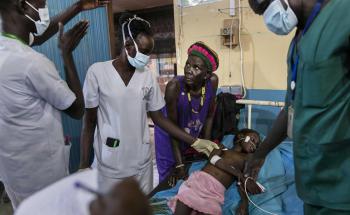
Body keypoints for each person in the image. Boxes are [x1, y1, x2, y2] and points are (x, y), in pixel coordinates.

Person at [80, 14, 219, 194]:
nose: (146, 57)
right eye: (144, 51)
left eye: (149, 53)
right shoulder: (97, 72)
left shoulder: (146, 75)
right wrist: (83, 164)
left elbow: (160, 118)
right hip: (110, 161)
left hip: (141, 161)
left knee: (143, 205)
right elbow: (89, 122)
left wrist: (197, 142)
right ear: (128, 45)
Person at [246, 0, 350, 214]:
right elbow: (291, 108)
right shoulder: (298, 41)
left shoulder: (343, 14)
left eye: (266, 6)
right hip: (311, 185)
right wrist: (260, 153)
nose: (268, 17)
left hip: (341, 186)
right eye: (261, 13)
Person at [0, 0, 106, 208]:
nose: (44, 13)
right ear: (23, 6)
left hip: (12, 171)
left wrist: (76, 8)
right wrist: (66, 54)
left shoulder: (6, 47)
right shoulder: (33, 64)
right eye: (42, 5)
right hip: (42, 177)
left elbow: (37, 37)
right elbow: (77, 109)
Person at [154, 41, 219, 184]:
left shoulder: (212, 82)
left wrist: (205, 147)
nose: (189, 70)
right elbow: (172, 128)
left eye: (196, 68)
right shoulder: (174, 87)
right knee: (169, 180)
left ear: (207, 74)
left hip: (191, 136)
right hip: (169, 138)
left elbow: (209, 115)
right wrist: (179, 164)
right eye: (188, 65)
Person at [168, 129, 263, 215]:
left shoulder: (247, 158)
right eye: (253, 140)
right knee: (184, 203)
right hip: (198, 183)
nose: (254, 145)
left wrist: (244, 204)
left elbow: (244, 182)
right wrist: (239, 174)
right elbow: (214, 159)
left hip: (215, 194)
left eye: (256, 145)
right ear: (241, 136)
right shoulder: (221, 147)